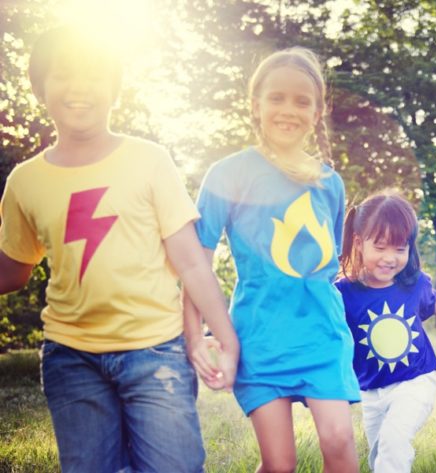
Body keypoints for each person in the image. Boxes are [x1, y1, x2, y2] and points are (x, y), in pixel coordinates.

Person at [0, 26, 238, 472]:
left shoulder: (149, 160)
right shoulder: (25, 182)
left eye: (93, 75)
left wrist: (224, 338)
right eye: (63, 75)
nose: (79, 88)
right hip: (71, 358)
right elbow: (13, 269)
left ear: (114, 87)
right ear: (39, 87)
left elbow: (190, 261)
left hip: (155, 352)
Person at [186, 47, 359, 472]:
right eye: (277, 98)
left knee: (338, 440)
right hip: (260, 338)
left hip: (321, 335)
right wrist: (195, 337)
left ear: (317, 112)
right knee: (279, 464)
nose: (289, 110)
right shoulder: (228, 174)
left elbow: (327, 266)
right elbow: (195, 264)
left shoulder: (330, 183)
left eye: (302, 101)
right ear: (255, 105)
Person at [335, 191, 436, 473]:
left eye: (400, 249)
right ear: (359, 243)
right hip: (371, 390)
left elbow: (434, 302)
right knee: (378, 456)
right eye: (381, 247)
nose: (390, 258)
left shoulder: (412, 283)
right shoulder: (344, 292)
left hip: (415, 381)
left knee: (393, 444)